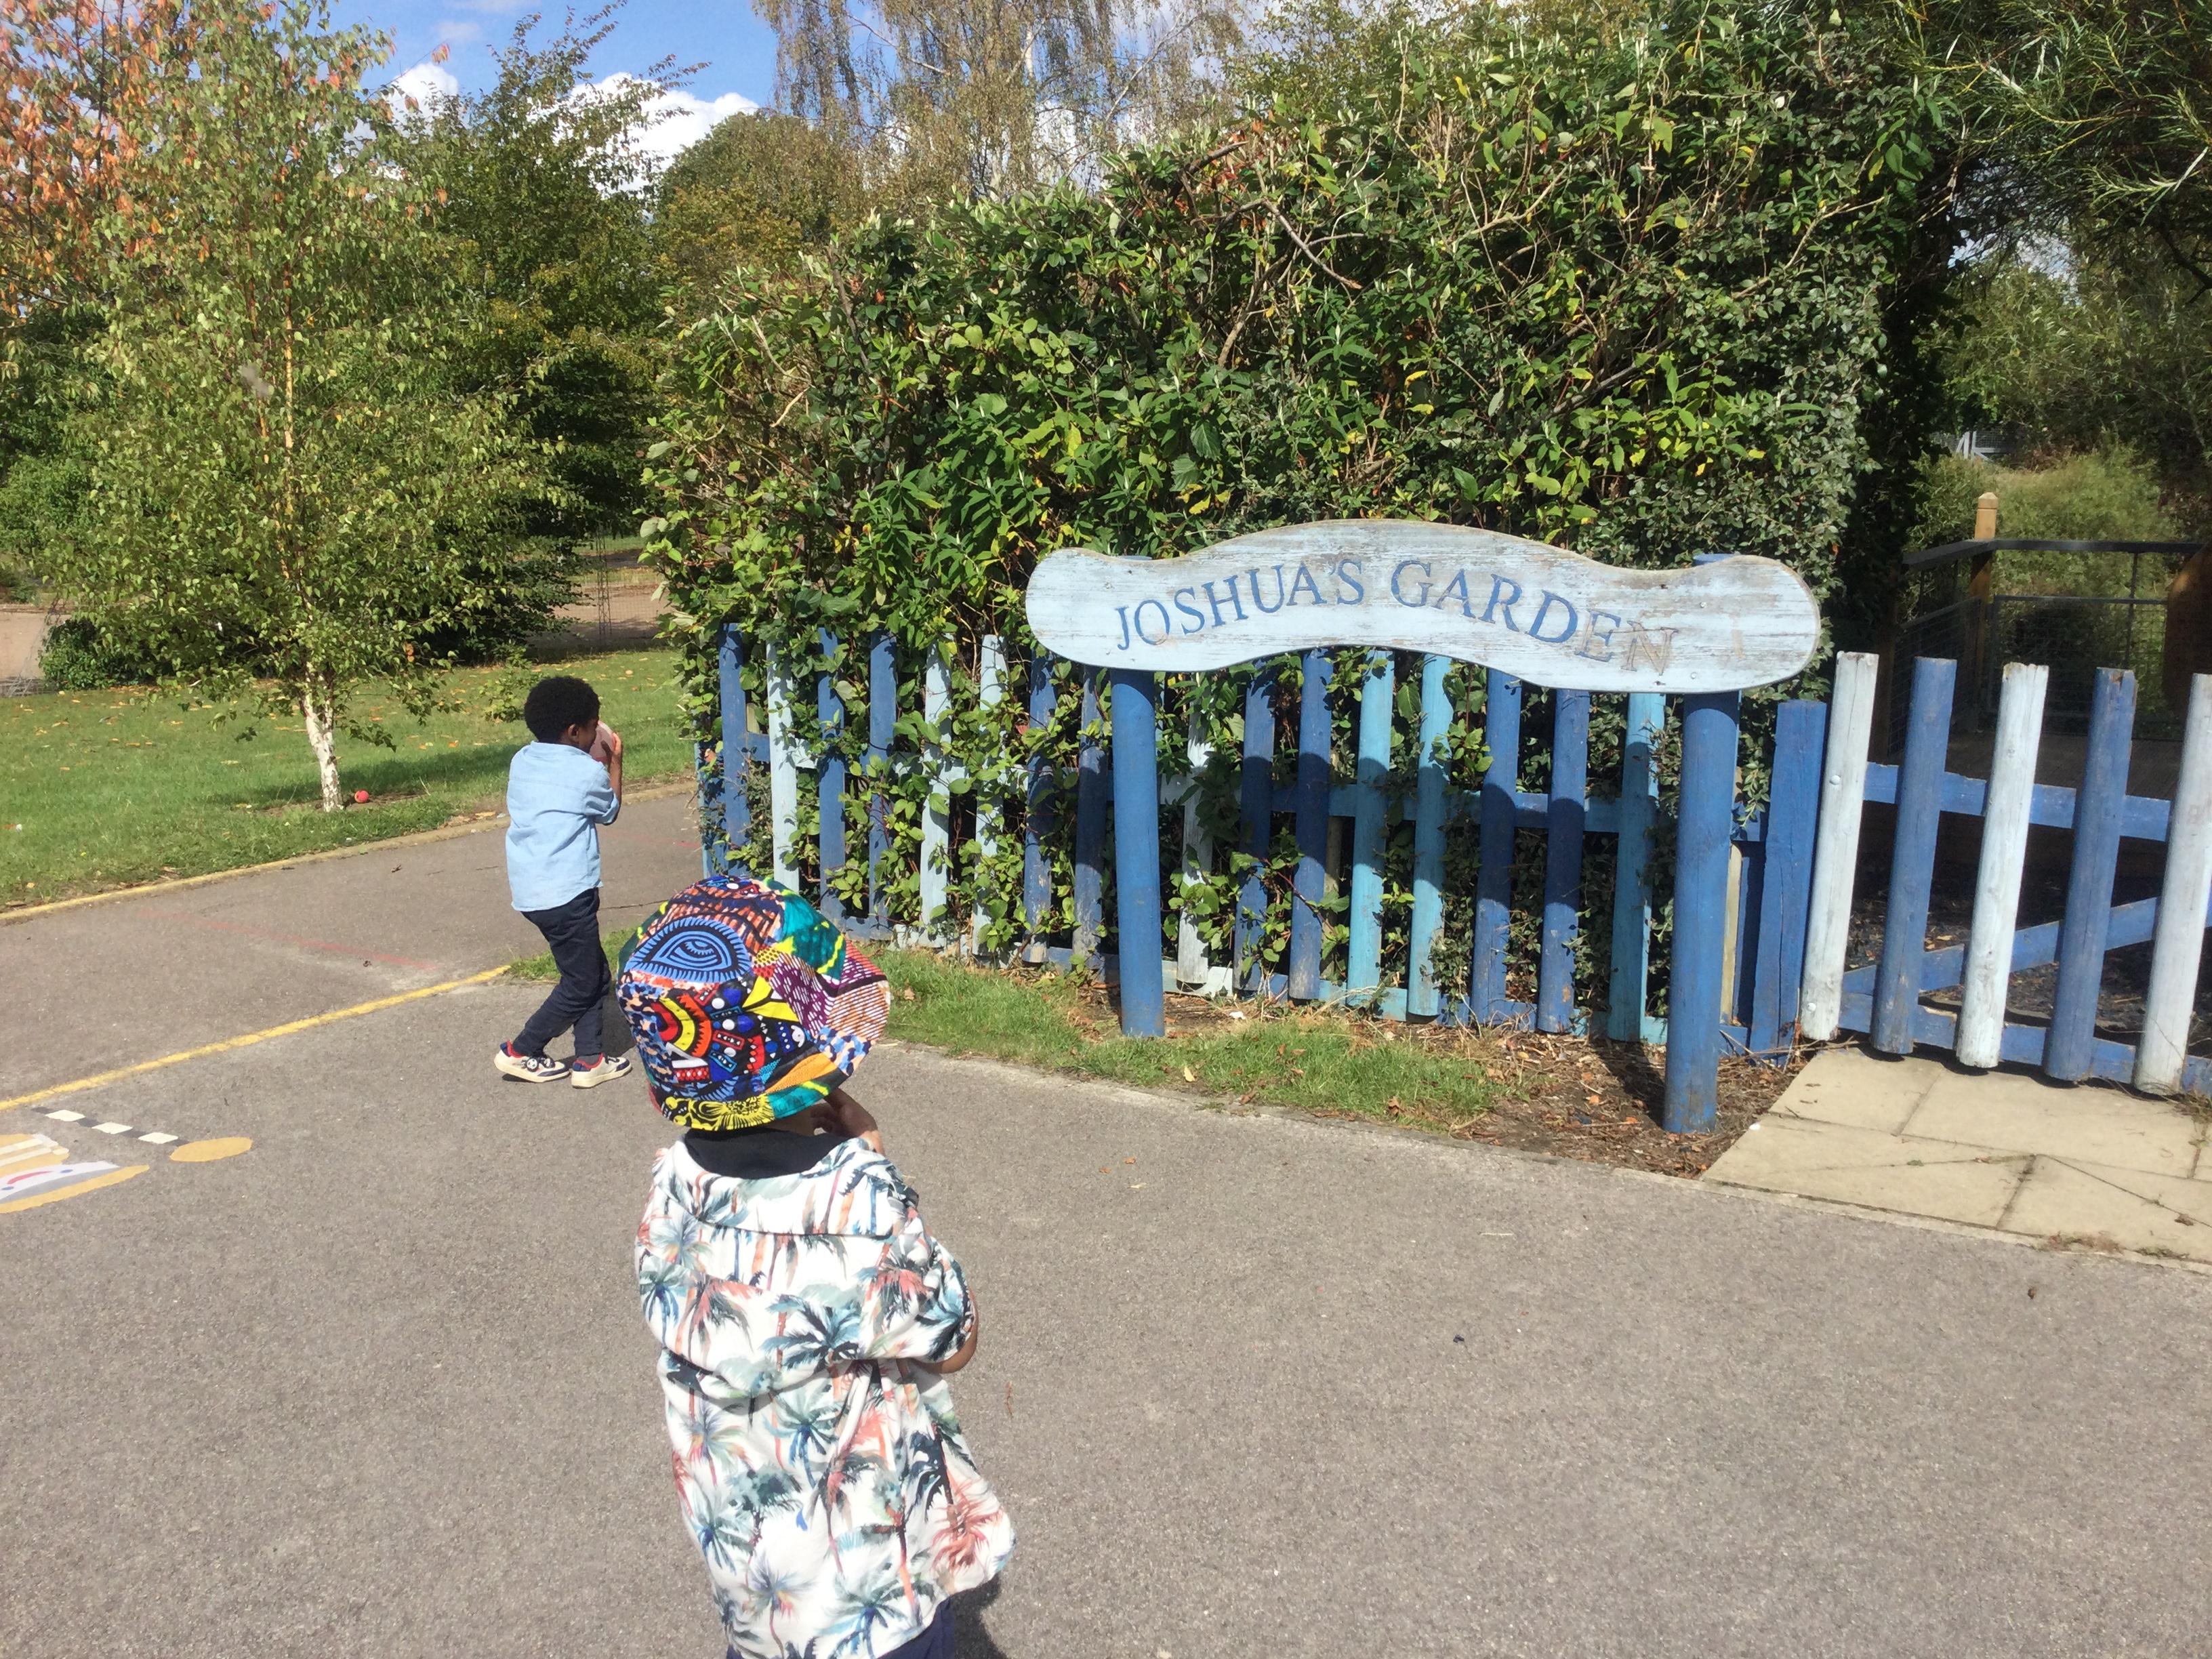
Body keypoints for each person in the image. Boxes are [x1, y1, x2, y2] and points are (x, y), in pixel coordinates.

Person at [623, 875, 1014, 1659]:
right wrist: (875, 1171)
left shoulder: (671, 1187)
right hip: (869, 1598)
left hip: (754, 1584)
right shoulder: (854, 1204)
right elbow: (955, 1338)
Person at [495, 674, 632, 1088]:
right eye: (592, 727)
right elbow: (609, 811)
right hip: (568, 893)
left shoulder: (523, 759)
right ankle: (521, 1050)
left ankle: (590, 1060)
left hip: (532, 891)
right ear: (575, 732)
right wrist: (614, 762)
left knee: (590, 972)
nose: (595, 734)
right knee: (583, 982)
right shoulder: (586, 772)